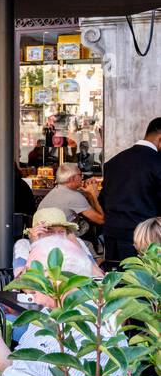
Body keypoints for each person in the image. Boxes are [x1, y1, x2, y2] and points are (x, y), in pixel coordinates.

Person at [100, 117, 161, 264]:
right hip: (144, 239)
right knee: (141, 283)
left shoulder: (114, 162)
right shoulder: (157, 162)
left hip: (112, 235)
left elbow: (103, 198)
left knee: (115, 281)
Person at [12, 208, 101, 278]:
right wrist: (35, 246)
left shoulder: (75, 243)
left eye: (61, 231)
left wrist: (77, 247)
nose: (56, 236)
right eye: (49, 231)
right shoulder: (24, 245)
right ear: (37, 232)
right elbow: (20, 283)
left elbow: (99, 276)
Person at [40, 164, 105, 228]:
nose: (82, 178)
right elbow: (102, 220)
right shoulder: (74, 196)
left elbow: (93, 217)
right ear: (72, 178)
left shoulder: (56, 189)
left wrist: (89, 194)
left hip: (44, 235)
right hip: (59, 236)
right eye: (80, 175)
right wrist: (93, 193)